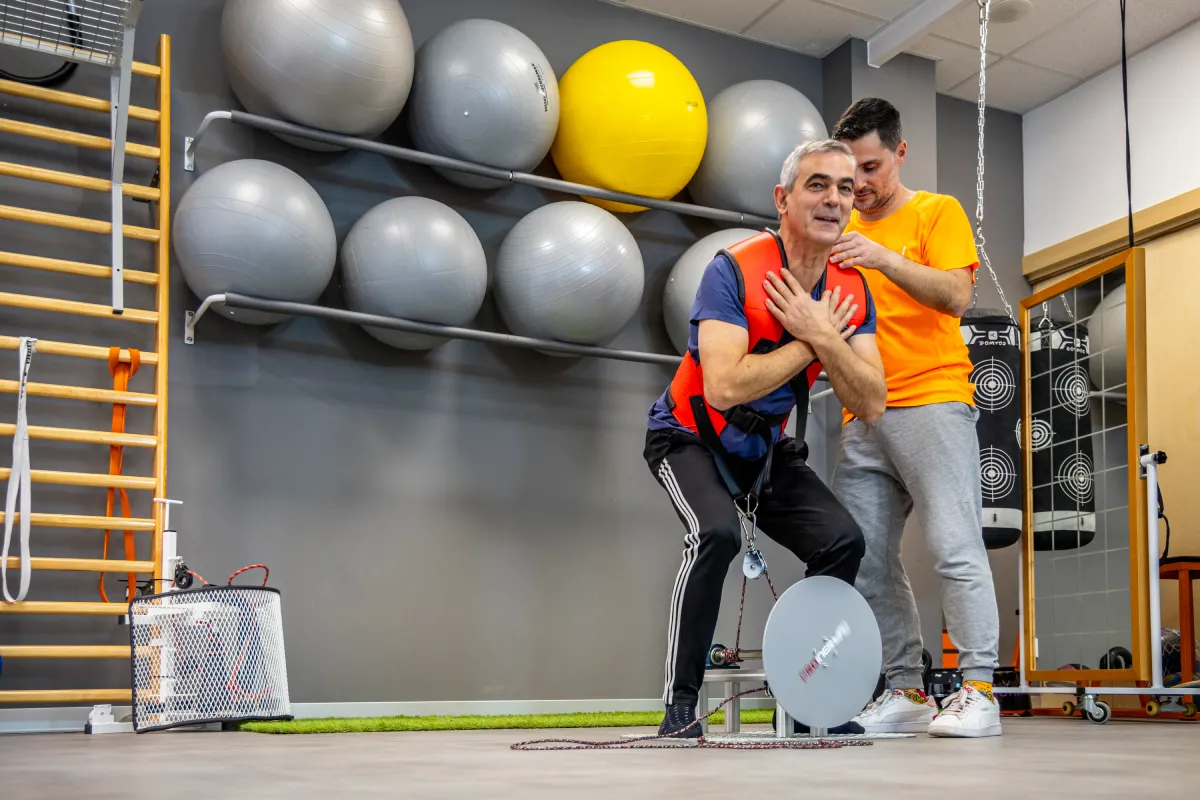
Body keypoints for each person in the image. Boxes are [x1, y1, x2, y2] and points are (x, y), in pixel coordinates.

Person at [644, 139, 888, 738]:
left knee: (842, 541)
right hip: (688, 435)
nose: (834, 199)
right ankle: (680, 708)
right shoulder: (733, 268)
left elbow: (871, 401)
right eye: (817, 185)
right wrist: (812, 339)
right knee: (716, 535)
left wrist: (824, 335)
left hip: (763, 451)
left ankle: (808, 703)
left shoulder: (851, 290)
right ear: (783, 198)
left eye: (846, 189)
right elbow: (724, 386)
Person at [829, 97, 1001, 738]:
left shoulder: (935, 211)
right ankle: (907, 690)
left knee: (955, 546)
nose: (858, 183)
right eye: (849, 170)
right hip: (862, 415)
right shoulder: (837, 233)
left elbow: (956, 295)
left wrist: (883, 258)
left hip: (931, 400)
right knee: (866, 558)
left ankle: (979, 688)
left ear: (899, 153)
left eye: (870, 167)